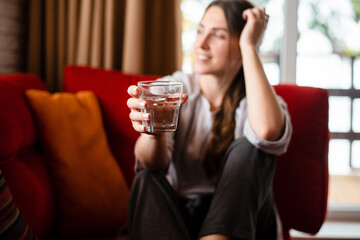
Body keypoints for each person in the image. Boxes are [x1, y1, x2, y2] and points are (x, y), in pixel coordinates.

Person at [126, 0, 292, 239]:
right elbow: (152, 163)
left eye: (219, 36)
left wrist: (249, 46)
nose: (201, 44)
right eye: (200, 31)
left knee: (251, 149)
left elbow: (266, 131)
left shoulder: (257, 98)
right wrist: (153, 134)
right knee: (146, 179)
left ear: (242, 43)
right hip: (182, 217)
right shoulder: (174, 87)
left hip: (244, 222)